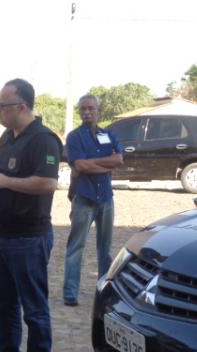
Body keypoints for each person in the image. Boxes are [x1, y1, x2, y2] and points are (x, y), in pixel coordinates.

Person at [0, 79, 62, 352]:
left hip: (29, 238)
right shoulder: (6, 138)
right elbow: (2, 173)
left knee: (34, 309)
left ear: (21, 107)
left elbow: (47, 184)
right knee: (4, 304)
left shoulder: (44, 140)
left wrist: (6, 181)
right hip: (1, 235)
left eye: (2, 105)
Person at [62, 94, 123, 306]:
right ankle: (70, 293)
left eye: (90, 108)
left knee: (105, 248)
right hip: (84, 198)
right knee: (75, 247)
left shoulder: (109, 134)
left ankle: (103, 291)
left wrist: (92, 164)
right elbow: (79, 166)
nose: (86, 112)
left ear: (98, 111)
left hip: (106, 198)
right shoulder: (74, 137)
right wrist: (106, 167)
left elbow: (119, 160)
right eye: (83, 109)